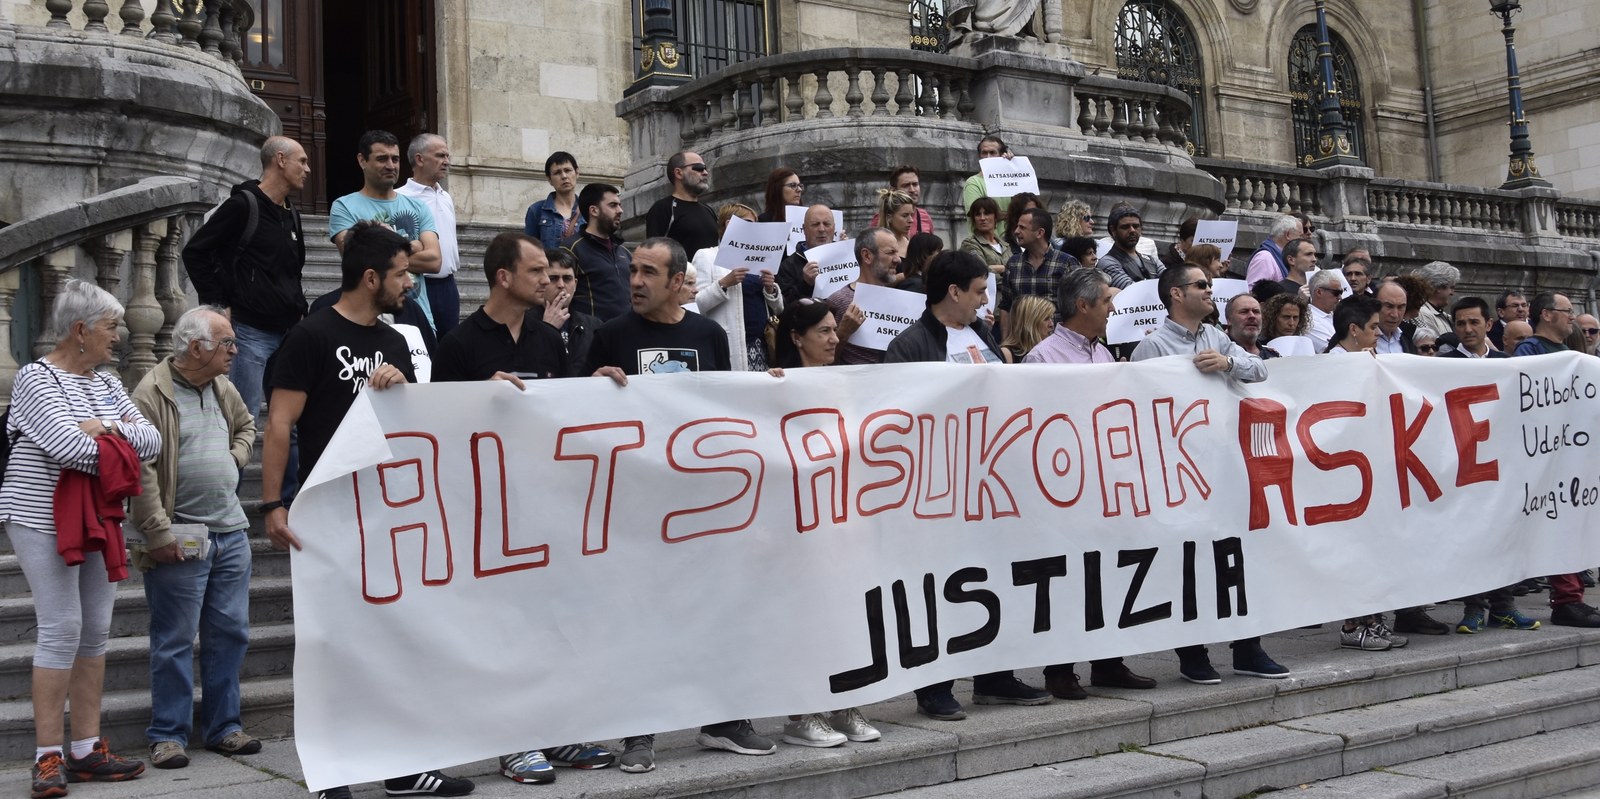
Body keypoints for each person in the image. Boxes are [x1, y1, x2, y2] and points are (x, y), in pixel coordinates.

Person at [261, 222, 472, 799]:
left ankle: (404, 768)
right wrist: (272, 503)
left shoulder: (397, 341)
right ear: (372, 276)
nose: (412, 281)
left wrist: (402, 385)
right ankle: (335, 771)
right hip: (327, 510)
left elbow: (410, 421)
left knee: (396, 636)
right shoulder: (310, 336)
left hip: (386, 508)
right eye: (403, 273)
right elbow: (279, 424)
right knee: (334, 646)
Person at [583, 239, 773, 771]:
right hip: (638, 510)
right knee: (642, 618)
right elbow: (573, 417)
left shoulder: (707, 334)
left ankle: (724, 720)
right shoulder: (610, 336)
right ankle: (638, 732)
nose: (636, 281)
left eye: (649, 273)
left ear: (676, 282)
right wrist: (591, 386)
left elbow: (728, 408)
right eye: (633, 271)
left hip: (705, 506)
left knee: (719, 609)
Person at [1, 279, 162, 797]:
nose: (119, 337)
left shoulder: (108, 382)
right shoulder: (34, 378)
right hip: (37, 514)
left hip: (99, 513)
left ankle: (86, 749)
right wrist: (109, 436)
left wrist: (104, 430)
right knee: (62, 626)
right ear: (80, 330)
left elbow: (152, 440)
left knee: (94, 629)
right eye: (112, 327)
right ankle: (47, 758)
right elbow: (67, 448)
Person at [885, 251, 1054, 717]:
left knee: (994, 579)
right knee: (940, 585)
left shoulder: (981, 334)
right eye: (979, 291)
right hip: (939, 487)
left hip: (988, 482)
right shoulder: (911, 344)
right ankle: (935, 686)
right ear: (953, 292)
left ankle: (995, 677)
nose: (986, 302)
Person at [129, 307, 259, 771]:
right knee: (175, 638)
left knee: (231, 633)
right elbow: (139, 468)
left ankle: (224, 728)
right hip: (179, 533)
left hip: (230, 532)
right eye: (226, 343)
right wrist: (157, 531)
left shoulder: (222, 386)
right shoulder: (150, 392)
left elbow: (247, 426)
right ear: (197, 347)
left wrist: (236, 458)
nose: (234, 351)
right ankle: (167, 734)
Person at [766, 300, 881, 747]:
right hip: (796, 525)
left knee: (846, 611)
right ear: (797, 338)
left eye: (836, 330)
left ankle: (844, 702)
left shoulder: (845, 383)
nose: (835, 339)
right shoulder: (775, 387)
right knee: (805, 616)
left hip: (843, 518)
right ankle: (803, 711)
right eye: (824, 332)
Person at [181, 135, 310, 429]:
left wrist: (301, 310)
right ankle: (232, 477)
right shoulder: (242, 206)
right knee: (242, 422)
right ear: (280, 160)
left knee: (289, 425)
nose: (307, 169)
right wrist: (218, 304)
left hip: (290, 332)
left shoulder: (292, 215)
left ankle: (288, 479)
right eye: (301, 161)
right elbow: (196, 252)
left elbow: (294, 270)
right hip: (251, 333)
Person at [328, 130, 444, 336]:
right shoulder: (344, 206)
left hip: (419, 316)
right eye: (382, 159)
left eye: (395, 159)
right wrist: (412, 244)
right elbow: (356, 258)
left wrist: (383, 245)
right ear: (362, 160)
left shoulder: (419, 207)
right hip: (367, 319)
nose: (391, 165)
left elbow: (434, 261)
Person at [433, 232, 568, 384]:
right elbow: (441, 406)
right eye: (535, 270)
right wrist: (485, 393)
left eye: (545, 270)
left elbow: (564, 402)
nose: (545, 280)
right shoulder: (457, 344)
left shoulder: (551, 340)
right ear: (504, 278)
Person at [1131, 265, 1265, 381]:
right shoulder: (1153, 345)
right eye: (1201, 285)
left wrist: (1228, 363)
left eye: (1209, 285)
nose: (1209, 290)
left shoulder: (1215, 335)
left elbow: (1260, 369)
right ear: (1177, 294)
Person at [691, 203, 784, 370]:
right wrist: (724, 283)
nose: (754, 230)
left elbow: (778, 309)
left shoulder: (759, 257)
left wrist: (771, 288)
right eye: (749, 223)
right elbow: (695, 305)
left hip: (761, 345)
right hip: (730, 345)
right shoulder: (706, 256)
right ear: (729, 224)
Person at [395, 133, 461, 336]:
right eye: (440, 156)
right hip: (417, 283)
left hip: (448, 285)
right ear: (419, 159)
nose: (447, 162)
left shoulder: (446, 196)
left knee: (449, 346)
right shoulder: (401, 197)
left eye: (447, 156)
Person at [826, 228, 902, 365]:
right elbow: (823, 362)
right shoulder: (839, 301)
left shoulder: (901, 301)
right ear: (867, 256)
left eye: (897, 252)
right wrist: (843, 333)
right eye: (890, 253)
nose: (898, 259)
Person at [999, 208, 1078, 331]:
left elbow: (1077, 306)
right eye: (1017, 227)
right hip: (1022, 345)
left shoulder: (1066, 263)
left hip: (1056, 343)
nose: (1016, 231)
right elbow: (1006, 306)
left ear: (1039, 233)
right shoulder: (1013, 264)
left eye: (1022, 227)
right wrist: (1005, 343)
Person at [562, 183, 631, 322]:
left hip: (628, 334)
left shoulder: (624, 252)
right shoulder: (571, 249)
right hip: (592, 337)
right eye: (613, 205)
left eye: (619, 205)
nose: (620, 210)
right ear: (594, 210)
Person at [645, 150, 718, 256]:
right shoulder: (663, 208)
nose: (705, 172)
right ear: (679, 173)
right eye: (698, 168)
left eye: (705, 168)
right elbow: (654, 253)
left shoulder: (708, 210)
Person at [542, 248, 601, 376]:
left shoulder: (594, 326)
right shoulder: (524, 323)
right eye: (553, 278)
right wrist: (547, 330)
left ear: (575, 285)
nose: (561, 285)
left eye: (567, 278)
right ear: (542, 282)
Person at [775, 204, 837, 306]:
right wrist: (805, 284)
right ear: (804, 229)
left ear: (834, 228)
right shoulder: (788, 266)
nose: (821, 229)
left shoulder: (849, 257)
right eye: (815, 224)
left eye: (826, 224)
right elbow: (784, 308)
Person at [523, 151, 584, 252]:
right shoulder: (536, 211)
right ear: (549, 179)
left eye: (568, 170)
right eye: (557, 173)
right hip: (551, 267)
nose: (564, 176)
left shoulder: (588, 208)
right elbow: (531, 251)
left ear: (577, 173)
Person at [1098, 206, 1164, 288]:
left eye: (1136, 226)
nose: (1132, 230)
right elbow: (1132, 291)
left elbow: (1171, 282)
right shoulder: (1107, 263)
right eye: (1125, 227)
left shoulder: (1152, 260)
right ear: (1113, 230)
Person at [961, 135, 1011, 237]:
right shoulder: (973, 182)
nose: (988, 157)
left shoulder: (1010, 180)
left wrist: (1013, 167)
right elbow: (979, 215)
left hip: (1011, 244)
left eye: (992, 153)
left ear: (1002, 155)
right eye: (984, 153)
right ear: (979, 156)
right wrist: (1011, 214)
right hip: (984, 246)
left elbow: (1025, 207)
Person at [871, 166, 934, 235]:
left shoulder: (924, 217)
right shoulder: (881, 218)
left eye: (915, 184)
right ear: (894, 190)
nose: (912, 190)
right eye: (906, 185)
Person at [1245, 214, 1299, 288]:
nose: (1303, 240)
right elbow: (1253, 292)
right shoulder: (1264, 258)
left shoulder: (1283, 256)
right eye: (1300, 235)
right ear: (1288, 235)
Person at [959, 196, 1008, 274]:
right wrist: (1007, 269)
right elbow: (979, 270)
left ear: (995, 217)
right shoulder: (969, 244)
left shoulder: (1006, 245)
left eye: (987, 213)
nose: (982, 218)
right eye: (978, 214)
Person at [998, 295, 1054, 362]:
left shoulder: (1050, 350)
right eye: (1046, 319)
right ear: (1030, 322)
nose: (1052, 324)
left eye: (1051, 318)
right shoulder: (1007, 353)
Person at [1412, 261, 1458, 338]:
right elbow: (1435, 346)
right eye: (1451, 288)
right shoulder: (1423, 313)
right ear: (1438, 287)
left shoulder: (1443, 315)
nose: (1452, 293)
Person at [1224, 294, 1278, 359]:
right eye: (1244, 312)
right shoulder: (1220, 353)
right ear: (1229, 319)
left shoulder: (1273, 355)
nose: (1252, 316)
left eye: (1256, 312)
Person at [1373, 282, 1418, 355]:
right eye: (1389, 306)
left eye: (1400, 307)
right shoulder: (1359, 342)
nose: (1395, 315)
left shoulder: (1408, 341)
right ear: (1374, 306)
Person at [1304, 267, 1342, 349]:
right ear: (1319, 292)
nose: (1340, 297)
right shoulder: (1308, 319)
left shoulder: (1337, 315)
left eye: (1341, 293)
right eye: (1336, 293)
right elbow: (1332, 349)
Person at [877, 189, 918, 259]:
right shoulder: (876, 245)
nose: (911, 220)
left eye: (911, 215)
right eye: (905, 215)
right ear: (889, 217)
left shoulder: (912, 245)